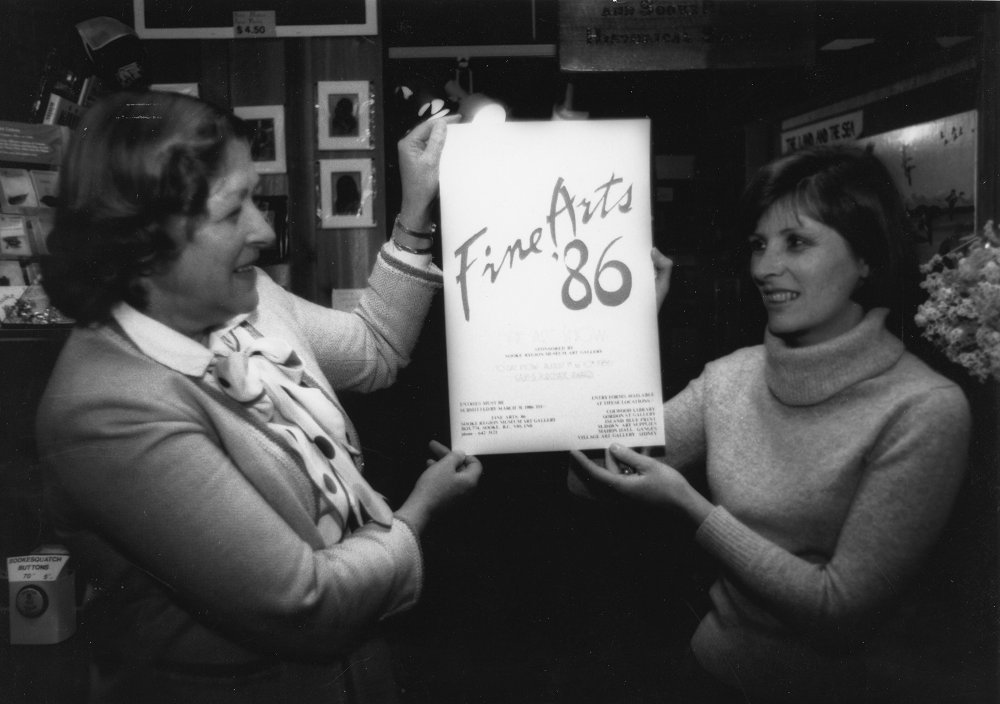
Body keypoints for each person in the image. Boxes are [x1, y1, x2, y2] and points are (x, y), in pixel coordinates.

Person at [35, 90, 480, 704]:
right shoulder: (107, 408)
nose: (265, 230)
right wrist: (419, 513)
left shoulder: (247, 297)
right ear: (142, 238)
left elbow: (376, 347)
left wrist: (416, 210)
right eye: (233, 208)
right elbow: (308, 603)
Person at [571, 145, 971, 703]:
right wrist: (626, 331)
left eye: (797, 242)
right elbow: (592, 473)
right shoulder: (731, 378)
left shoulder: (923, 408)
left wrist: (692, 508)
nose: (763, 267)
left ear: (867, 260)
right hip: (705, 674)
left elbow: (840, 612)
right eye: (760, 244)